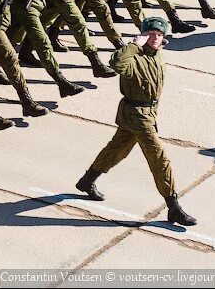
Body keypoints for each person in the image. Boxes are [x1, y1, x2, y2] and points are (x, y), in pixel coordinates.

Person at [76, 17, 197, 227]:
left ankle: (87, 180)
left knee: (116, 149)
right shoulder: (133, 57)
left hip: (147, 112)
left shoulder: (158, 54)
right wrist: (133, 45)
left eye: (159, 35)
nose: (155, 39)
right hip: (137, 114)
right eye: (150, 34)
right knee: (159, 158)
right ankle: (173, 206)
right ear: (142, 35)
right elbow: (116, 63)